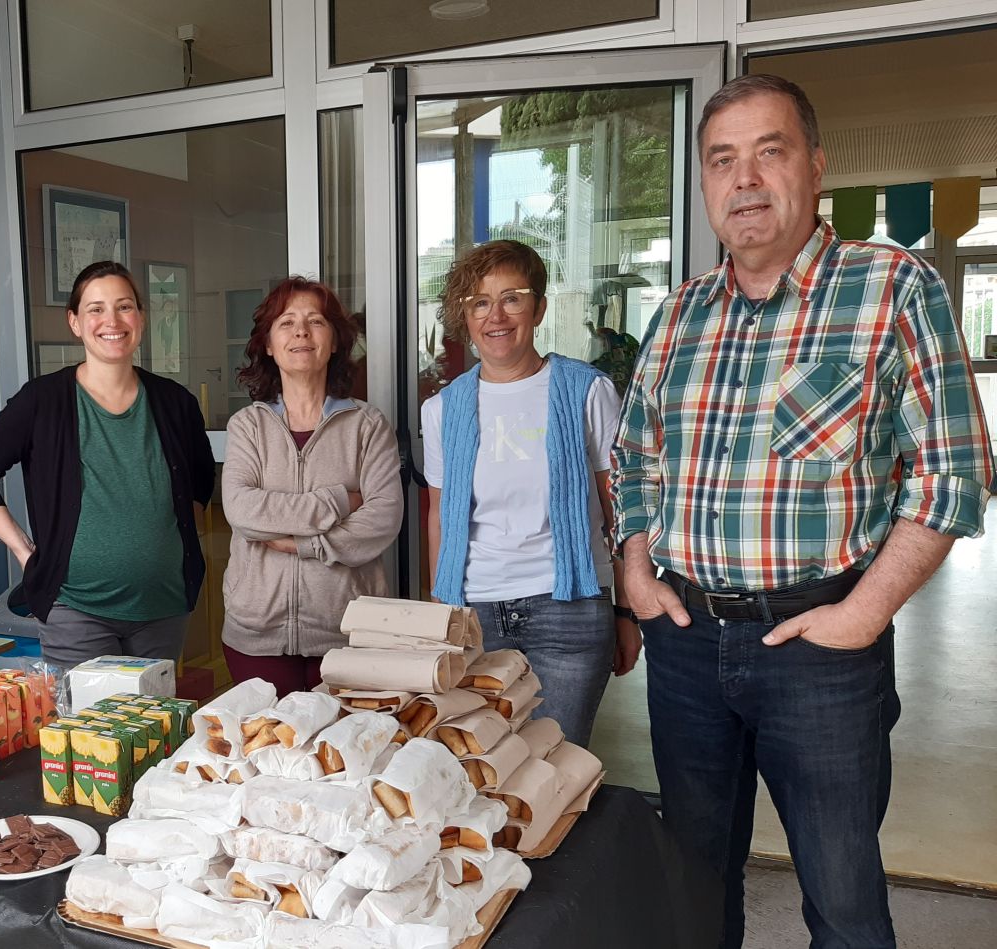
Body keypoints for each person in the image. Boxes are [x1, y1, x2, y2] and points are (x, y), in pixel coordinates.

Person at [611, 74, 995, 948]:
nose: (744, 179)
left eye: (768, 152)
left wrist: (865, 613)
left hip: (820, 651)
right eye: (722, 160)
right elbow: (634, 458)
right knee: (694, 886)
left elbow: (954, 473)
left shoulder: (891, 288)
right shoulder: (677, 316)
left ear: (816, 167)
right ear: (705, 184)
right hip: (685, 643)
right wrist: (635, 568)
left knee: (844, 898)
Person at [423, 240, 639, 748]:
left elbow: (621, 510)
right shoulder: (443, 409)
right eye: (480, 302)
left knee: (555, 766)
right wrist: (441, 613)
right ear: (466, 317)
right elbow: (439, 516)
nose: (496, 316)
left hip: (569, 611)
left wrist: (626, 611)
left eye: (512, 298)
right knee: (479, 766)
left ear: (538, 309)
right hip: (475, 615)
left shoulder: (587, 391)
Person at [0, 261, 215, 668]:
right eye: (96, 309)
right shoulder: (42, 401)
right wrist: (23, 549)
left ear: (141, 317)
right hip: (74, 608)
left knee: (154, 711)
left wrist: (162, 544)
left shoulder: (175, 402)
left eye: (124, 306)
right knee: (84, 712)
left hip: (163, 606)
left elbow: (201, 481)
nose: (112, 321)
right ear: (75, 322)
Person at [221, 277, 402, 693]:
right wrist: (340, 500)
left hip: (349, 633)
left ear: (334, 341)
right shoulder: (248, 426)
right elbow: (243, 510)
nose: (301, 332)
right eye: (286, 322)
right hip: (256, 635)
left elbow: (383, 518)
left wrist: (303, 544)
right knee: (267, 735)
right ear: (269, 344)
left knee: (347, 738)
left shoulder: (367, 425)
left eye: (315, 321)